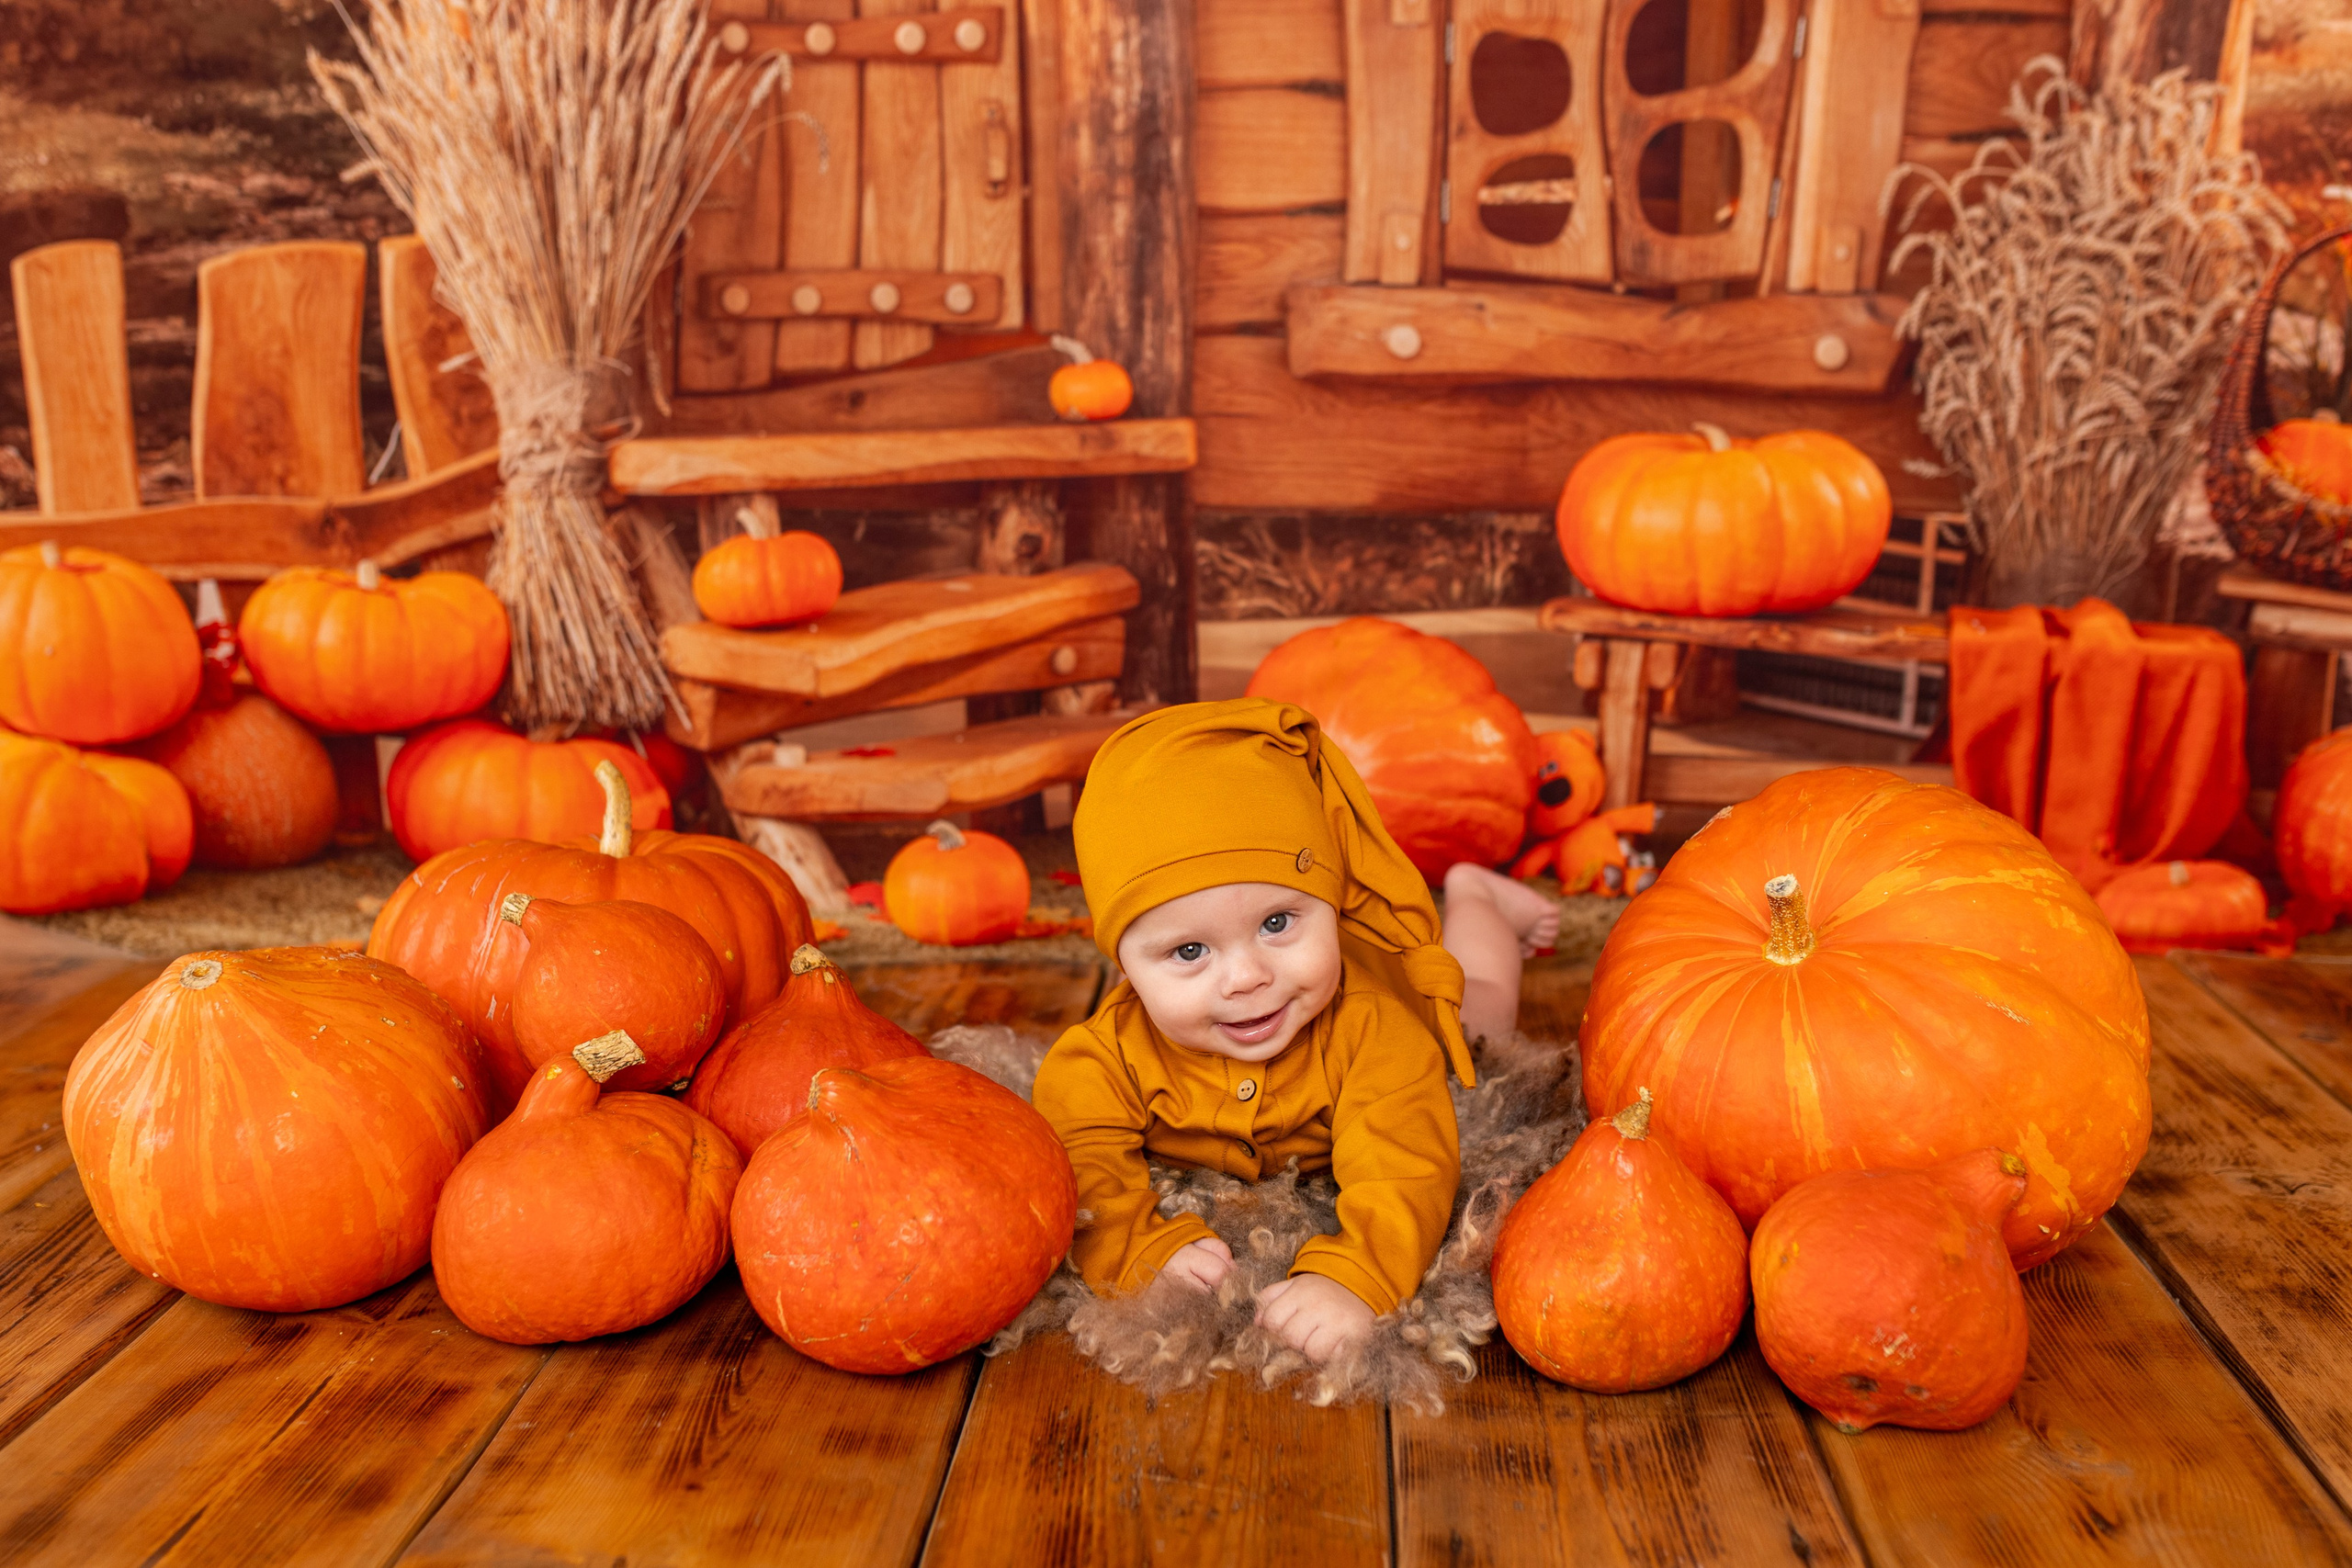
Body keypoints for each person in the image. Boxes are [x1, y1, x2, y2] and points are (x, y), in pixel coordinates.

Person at [1032, 699, 1560, 1365]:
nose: (1248, 976)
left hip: (1394, 986)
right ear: (1124, 963)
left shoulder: (1375, 1029)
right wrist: (1133, 1245)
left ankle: (1479, 897)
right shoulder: (1108, 1056)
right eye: (1191, 952)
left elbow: (1407, 1162)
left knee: (1483, 1007)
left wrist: (1356, 1275)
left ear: (1330, 902)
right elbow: (1076, 1155)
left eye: (1278, 922)